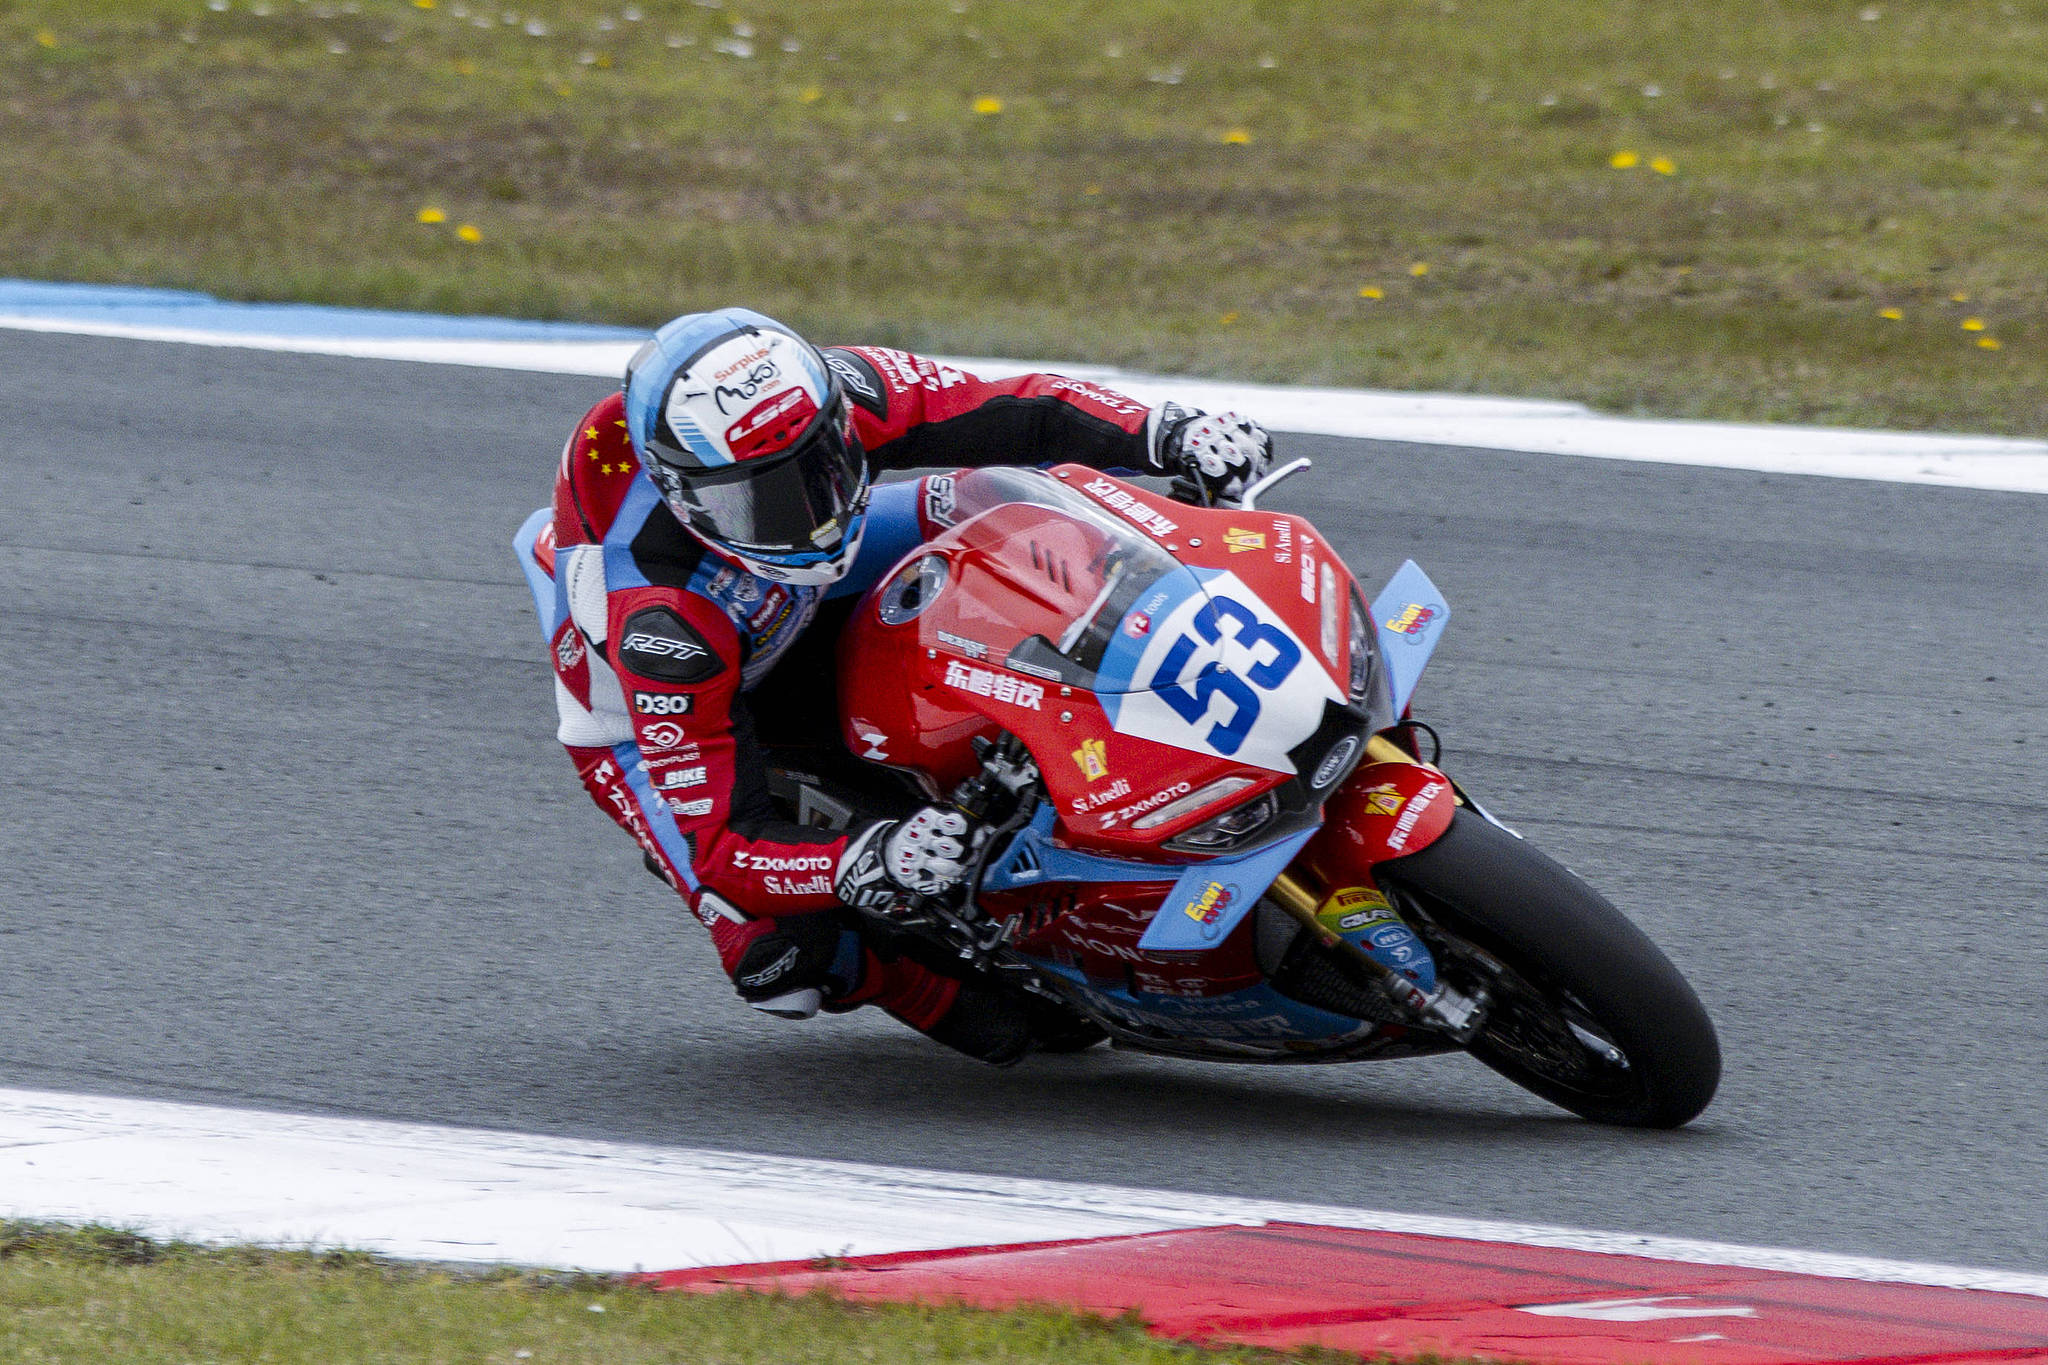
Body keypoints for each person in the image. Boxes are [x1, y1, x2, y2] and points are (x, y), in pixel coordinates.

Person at [519, 307, 1271, 1065]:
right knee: (781, 958)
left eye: (822, 469)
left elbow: (1017, 405)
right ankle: (888, 970)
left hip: (781, 593)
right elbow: (722, 842)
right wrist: (870, 856)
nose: (811, 518)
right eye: (766, 501)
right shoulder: (661, 624)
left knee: (1016, 501)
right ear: (687, 498)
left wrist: (1165, 430)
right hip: (668, 701)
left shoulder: (834, 391)